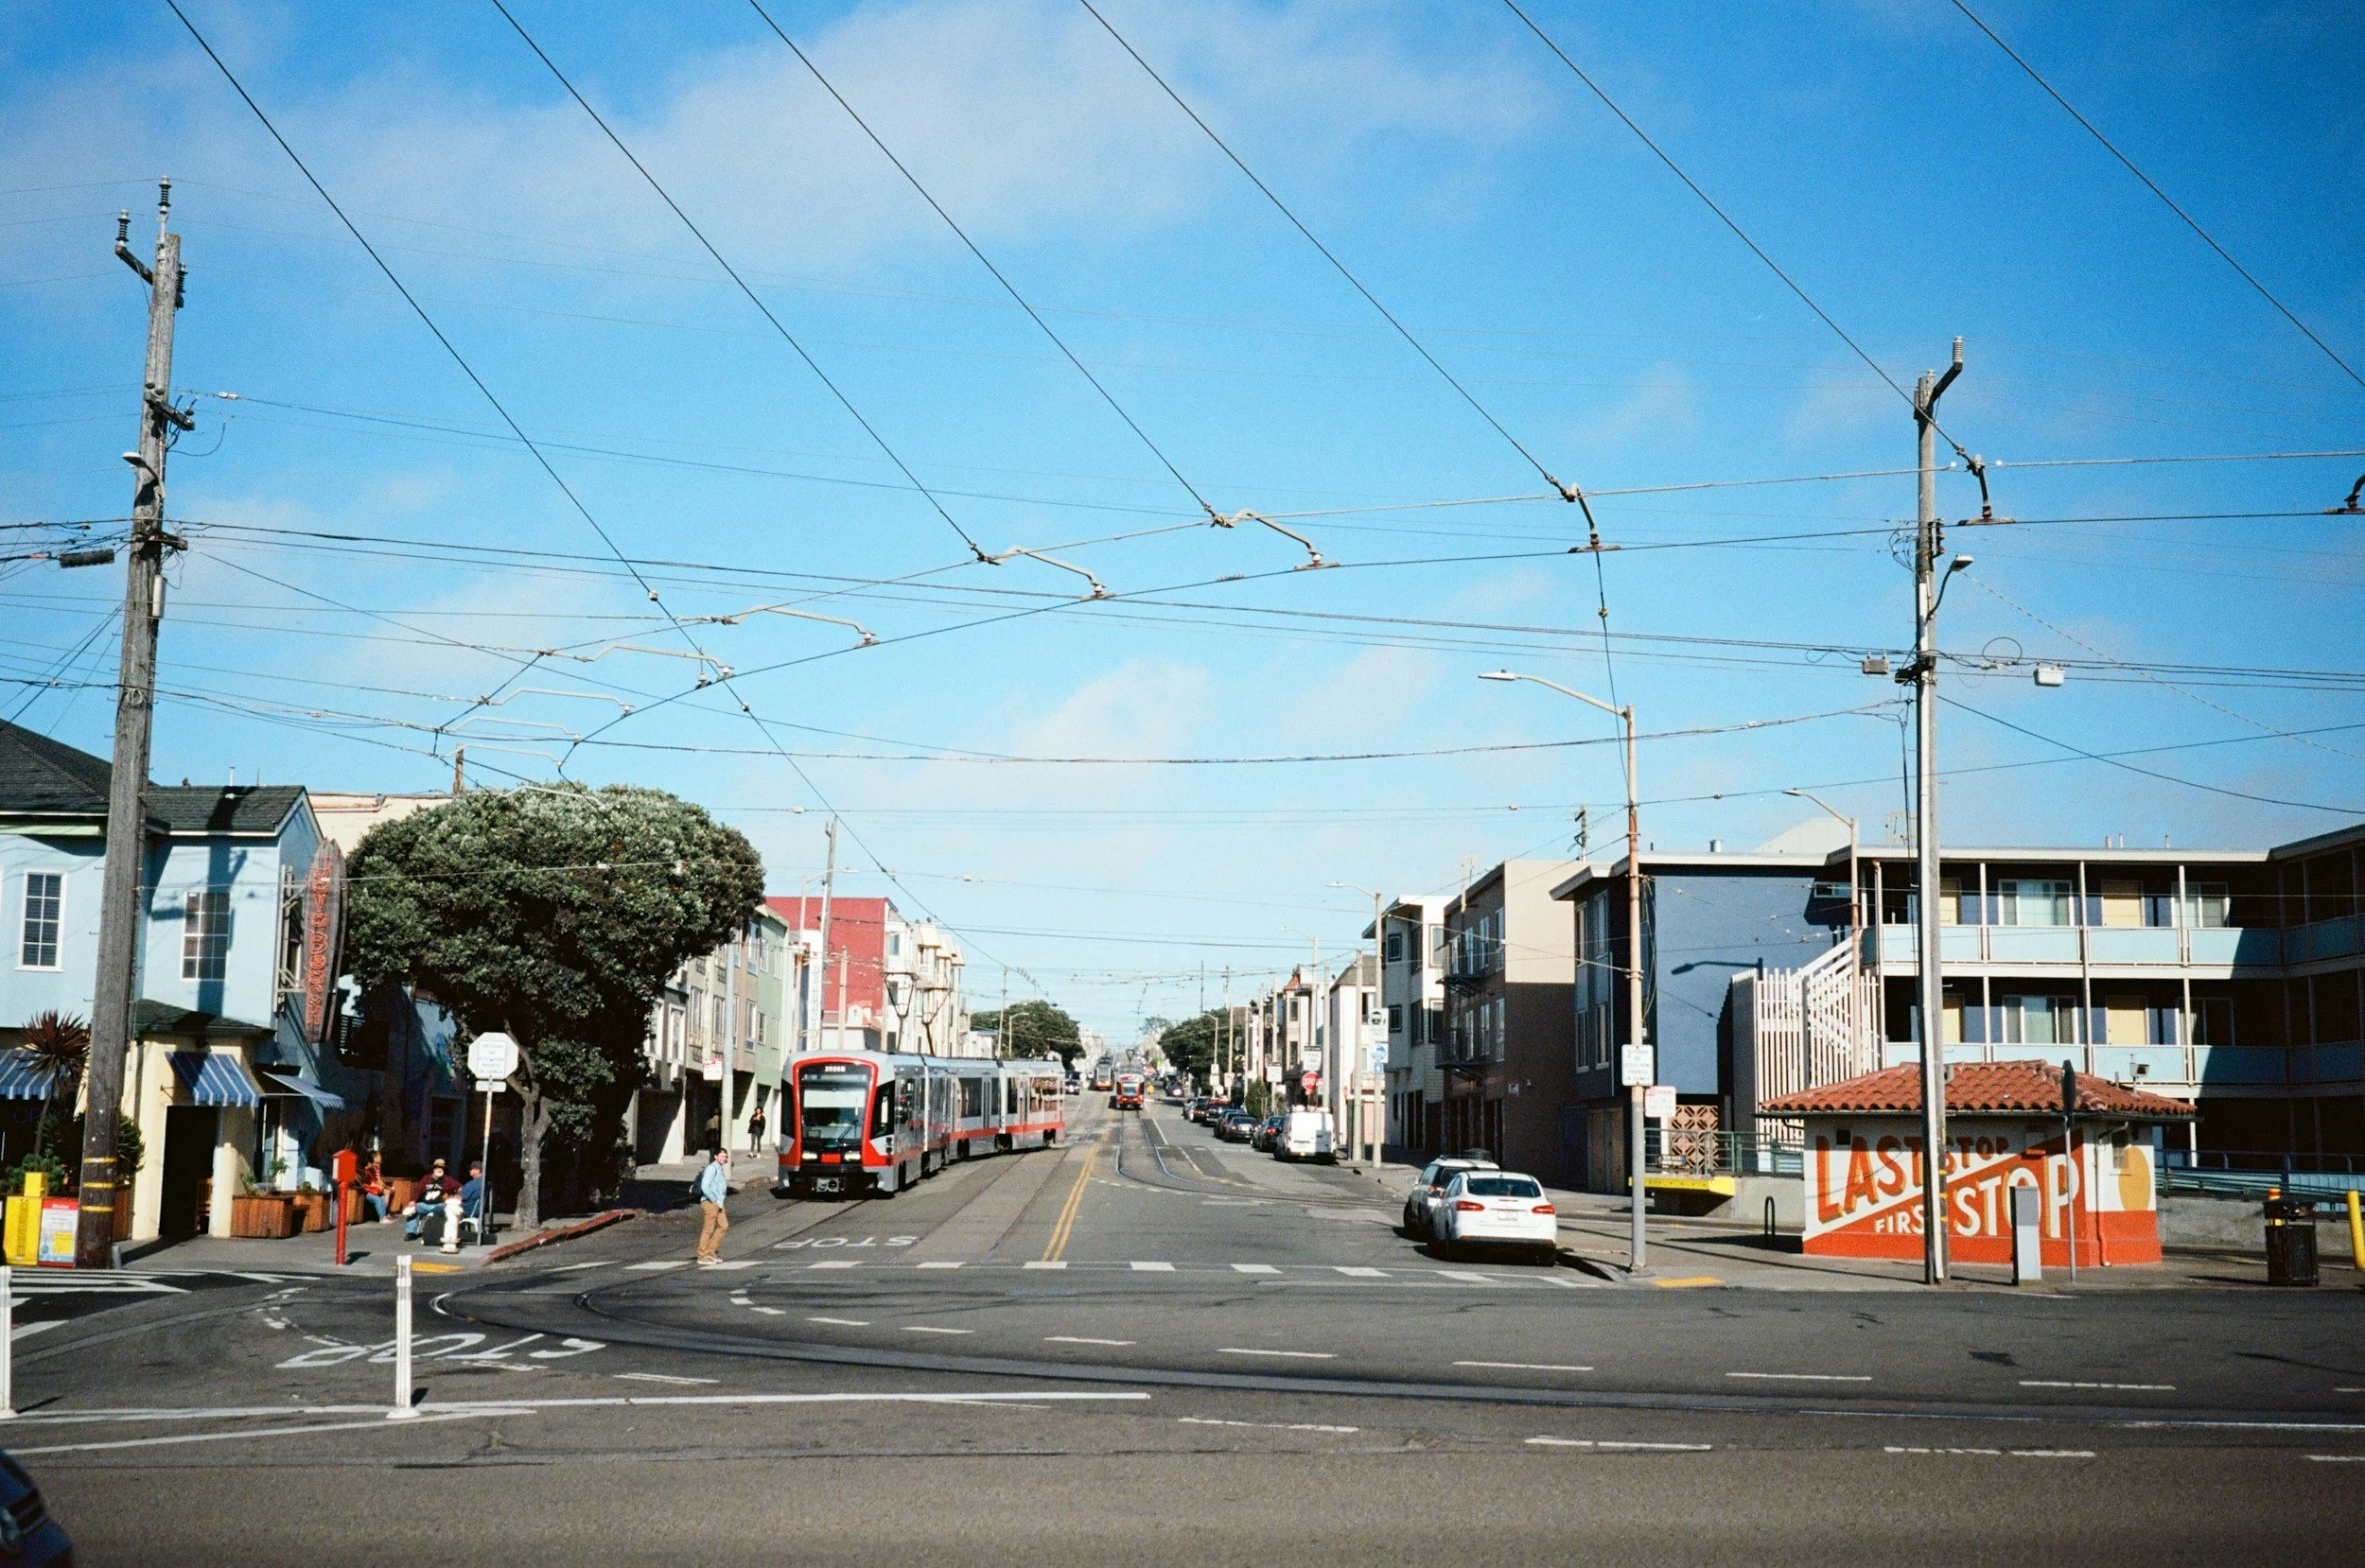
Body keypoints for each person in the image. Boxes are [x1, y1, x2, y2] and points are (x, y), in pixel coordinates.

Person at [694, 1148, 731, 1265]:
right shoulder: (712, 1168)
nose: (724, 1158)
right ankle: (702, 1255)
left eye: (725, 1157)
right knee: (708, 1228)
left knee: (724, 1225)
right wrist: (713, 1199)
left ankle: (710, 1251)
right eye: (721, 1156)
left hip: (718, 1202)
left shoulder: (719, 1168)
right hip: (710, 1202)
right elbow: (705, 1186)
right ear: (715, 1157)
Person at [403, 1159, 451, 1239]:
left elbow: (460, 1188)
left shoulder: (447, 1179)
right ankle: (411, 1233)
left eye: (442, 1168)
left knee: (444, 1208)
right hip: (425, 1205)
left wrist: (450, 1197)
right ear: (433, 1169)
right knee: (412, 1208)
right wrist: (413, 1201)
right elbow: (418, 1190)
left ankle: (437, 1232)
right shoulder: (426, 1178)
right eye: (437, 1167)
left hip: (439, 1205)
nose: (440, 1169)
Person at [447, 1161, 486, 1254]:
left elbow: (459, 1198)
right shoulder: (484, 1182)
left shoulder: (473, 1184)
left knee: (439, 1209)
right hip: (476, 1209)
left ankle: (446, 1236)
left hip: (466, 1209)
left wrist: (448, 1198)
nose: (469, 1170)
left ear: (477, 1170)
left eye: (471, 1169)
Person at [359, 1154, 391, 1224]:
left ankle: (384, 1216)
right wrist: (380, 1188)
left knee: (382, 1197)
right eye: (372, 1163)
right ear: (369, 1163)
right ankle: (382, 1218)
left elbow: (376, 1181)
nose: (373, 1165)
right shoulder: (364, 1172)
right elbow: (370, 1183)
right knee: (377, 1199)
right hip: (366, 1192)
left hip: (372, 1190)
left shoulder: (371, 1171)